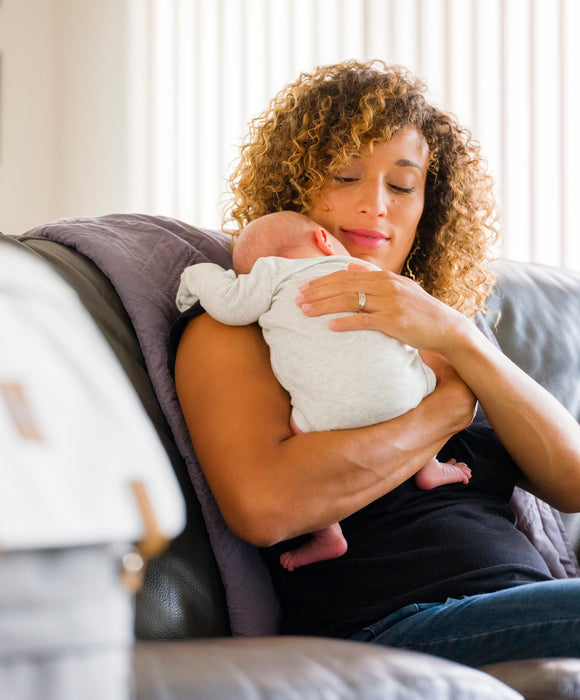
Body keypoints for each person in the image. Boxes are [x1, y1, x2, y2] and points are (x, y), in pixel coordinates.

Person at [172, 59, 580, 667]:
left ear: (428, 207)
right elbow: (265, 506)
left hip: (527, 608)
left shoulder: (446, 330)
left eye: (402, 184)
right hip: (392, 628)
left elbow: (571, 482)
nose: (374, 206)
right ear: (297, 187)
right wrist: (445, 409)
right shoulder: (240, 327)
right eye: (344, 175)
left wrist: (459, 340)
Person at [176, 210, 471, 571]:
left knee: (303, 435)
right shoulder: (369, 275)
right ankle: (431, 465)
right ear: (323, 239)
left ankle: (328, 534)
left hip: (327, 418)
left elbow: (230, 305)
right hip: (409, 393)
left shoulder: (271, 275)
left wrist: (197, 277)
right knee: (411, 377)